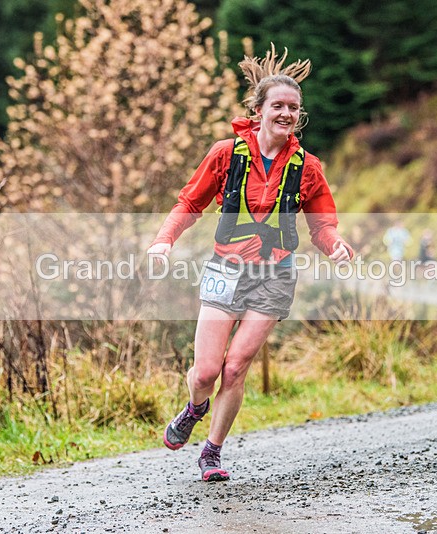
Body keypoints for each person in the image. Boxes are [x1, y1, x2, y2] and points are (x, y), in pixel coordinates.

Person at [146, 46, 353, 481]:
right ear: (258, 111)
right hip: (226, 271)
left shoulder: (308, 168)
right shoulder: (225, 154)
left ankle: (212, 453)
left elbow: (322, 224)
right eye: (278, 106)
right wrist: (163, 241)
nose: (287, 113)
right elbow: (190, 201)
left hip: (274, 275)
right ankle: (194, 407)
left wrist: (334, 245)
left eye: (294, 108)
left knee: (236, 366)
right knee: (205, 371)